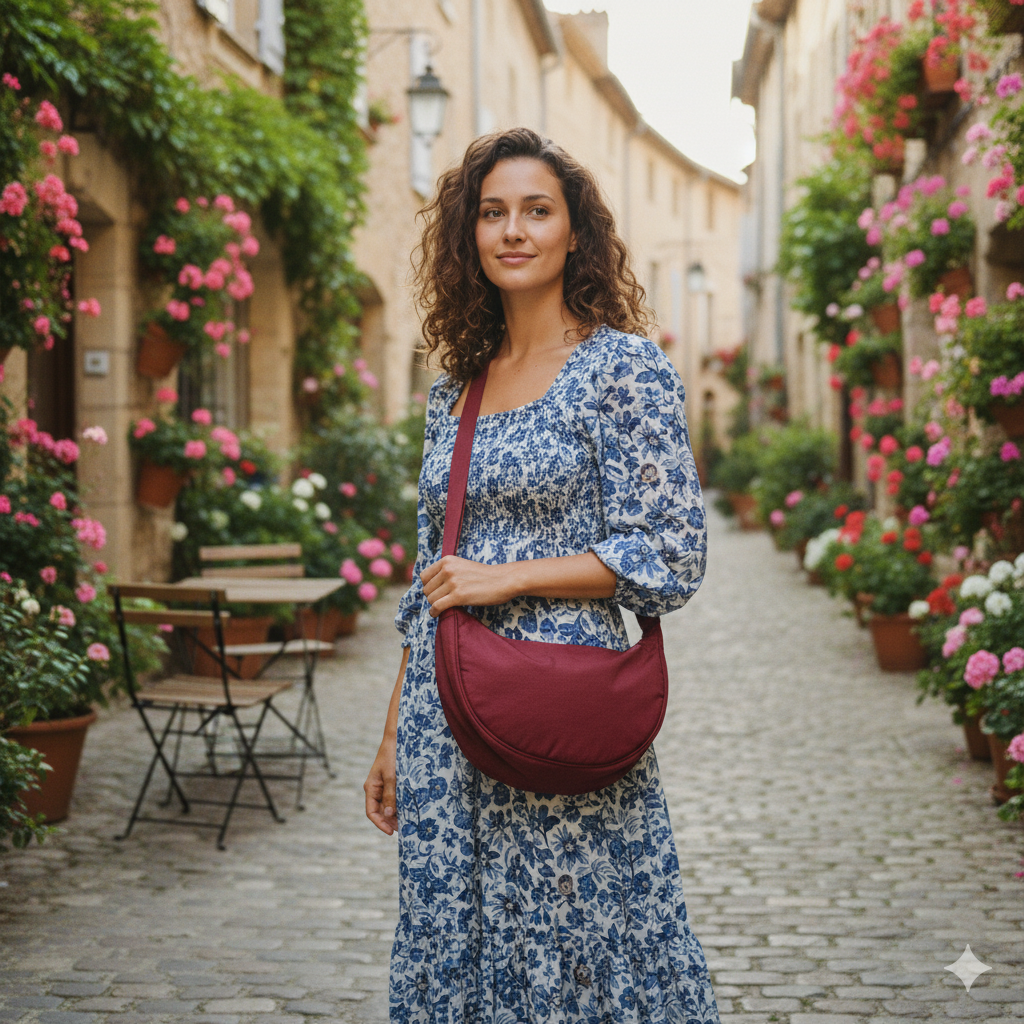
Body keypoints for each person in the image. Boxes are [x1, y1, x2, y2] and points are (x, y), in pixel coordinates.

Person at [364, 127, 718, 1023]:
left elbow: (673, 551)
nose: (512, 230)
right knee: (456, 938)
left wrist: (509, 578)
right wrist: (391, 734)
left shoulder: (621, 368)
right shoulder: (459, 389)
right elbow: (431, 574)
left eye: (536, 210)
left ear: (573, 234)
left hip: (562, 709)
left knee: (578, 932)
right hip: (445, 720)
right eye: (492, 213)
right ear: (468, 239)